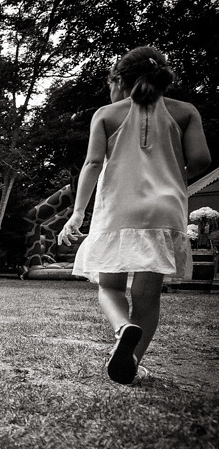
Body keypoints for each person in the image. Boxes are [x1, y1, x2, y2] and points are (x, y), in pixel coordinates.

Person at [58, 46, 211, 384]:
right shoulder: (185, 111)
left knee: (109, 286)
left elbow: (93, 164)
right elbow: (201, 160)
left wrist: (77, 213)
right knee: (147, 295)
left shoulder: (107, 114)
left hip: (118, 208)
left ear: (119, 81)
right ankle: (132, 358)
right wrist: (172, 176)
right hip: (166, 209)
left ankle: (122, 329)